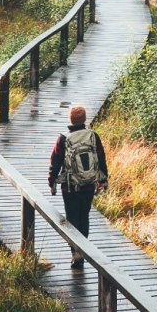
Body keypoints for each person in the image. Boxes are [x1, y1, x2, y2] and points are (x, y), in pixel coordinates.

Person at [48, 104, 108, 271]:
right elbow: (101, 158)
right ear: (84, 119)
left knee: (72, 219)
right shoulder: (93, 136)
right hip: (88, 185)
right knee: (84, 217)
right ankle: (82, 251)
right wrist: (103, 180)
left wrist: (51, 181)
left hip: (70, 187)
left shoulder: (63, 138)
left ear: (71, 119)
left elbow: (55, 162)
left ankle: (76, 254)